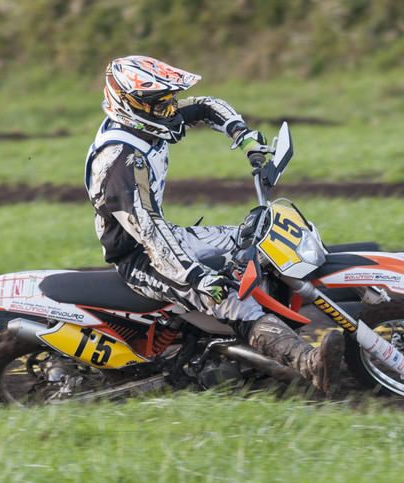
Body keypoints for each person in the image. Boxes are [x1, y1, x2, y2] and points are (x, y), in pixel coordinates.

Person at [84, 55, 342, 394]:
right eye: (160, 104)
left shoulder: (145, 122)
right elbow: (151, 235)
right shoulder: (120, 163)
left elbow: (205, 105)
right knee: (230, 298)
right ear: (130, 105)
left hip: (164, 235)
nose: (170, 109)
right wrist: (198, 277)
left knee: (258, 240)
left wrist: (242, 135)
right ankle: (307, 363)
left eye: (169, 100)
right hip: (141, 257)